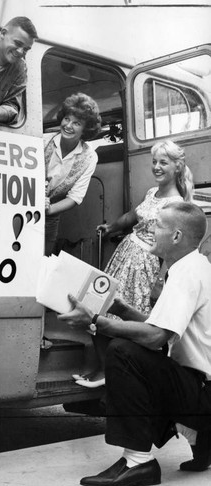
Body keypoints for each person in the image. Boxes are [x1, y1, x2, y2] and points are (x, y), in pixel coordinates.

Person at [58, 201, 211, 486]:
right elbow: (163, 324)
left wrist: (95, 321)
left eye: (158, 225)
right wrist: (123, 310)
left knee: (123, 352)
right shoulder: (194, 266)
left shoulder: (186, 274)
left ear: (177, 236)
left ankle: (138, 462)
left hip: (203, 394)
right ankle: (203, 439)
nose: (151, 230)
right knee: (135, 349)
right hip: (202, 390)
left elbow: (155, 337)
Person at [73, 140, 194, 387]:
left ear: (177, 167)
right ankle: (102, 367)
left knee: (121, 315)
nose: (157, 167)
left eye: (164, 162)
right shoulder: (152, 193)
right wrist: (112, 226)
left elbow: (172, 248)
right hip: (125, 255)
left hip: (145, 266)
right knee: (97, 305)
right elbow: (132, 216)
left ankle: (110, 373)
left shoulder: (177, 203)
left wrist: (160, 280)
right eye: (155, 162)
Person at [44, 93, 101, 256]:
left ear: (86, 129)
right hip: (21, 210)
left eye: (76, 123)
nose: (68, 126)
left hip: (50, 217)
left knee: (41, 263)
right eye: (67, 119)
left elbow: (75, 198)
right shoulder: (42, 140)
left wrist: (48, 210)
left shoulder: (89, 157)